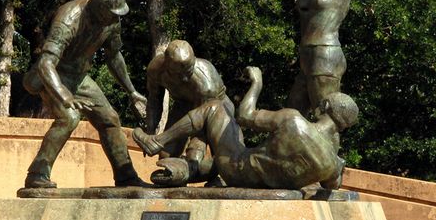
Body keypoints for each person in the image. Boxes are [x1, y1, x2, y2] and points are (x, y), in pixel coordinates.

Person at [132, 66, 357, 190]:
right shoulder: (332, 164)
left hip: (238, 170)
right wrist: (336, 165)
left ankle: (157, 142)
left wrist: (257, 83)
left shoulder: (293, 120)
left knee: (214, 107)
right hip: (267, 183)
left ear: (323, 106)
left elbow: (245, 116)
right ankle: (183, 170)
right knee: (218, 150)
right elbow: (332, 187)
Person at [22, 0, 148, 188]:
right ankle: (37, 174)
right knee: (69, 118)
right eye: (112, 13)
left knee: (110, 118)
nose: (117, 18)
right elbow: (46, 63)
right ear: (98, 7)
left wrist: (132, 92)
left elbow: (114, 56)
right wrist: (63, 94)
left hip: (79, 77)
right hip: (52, 75)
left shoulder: (112, 20)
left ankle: (126, 176)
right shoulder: (68, 18)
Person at [145, 40, 234, 185]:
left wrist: (193, 153)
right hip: (183, 104)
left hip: (216, 108)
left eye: (189, 71)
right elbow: (154, 100)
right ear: (167, 66)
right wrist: (150, 130)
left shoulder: (206, 83)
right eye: (180, 74)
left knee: (195, 160)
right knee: (166, 155)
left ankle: (219, 177)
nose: (186, 78)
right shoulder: (155, 69)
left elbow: (200, 129)